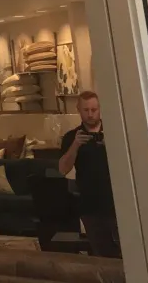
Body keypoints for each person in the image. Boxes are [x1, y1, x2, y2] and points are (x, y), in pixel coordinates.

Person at [59, 91, 120, 258]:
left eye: (94, 109)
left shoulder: (116, 133)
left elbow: (131, 162)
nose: (91, 114)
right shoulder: (72, 137)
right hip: (89, 206)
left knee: (126, 252)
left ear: (100, 109)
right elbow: (63, 169)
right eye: (86, 110)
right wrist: (75, 146)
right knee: (102, 254)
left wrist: (112, 145)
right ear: (79, 109)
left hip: (118, 203)